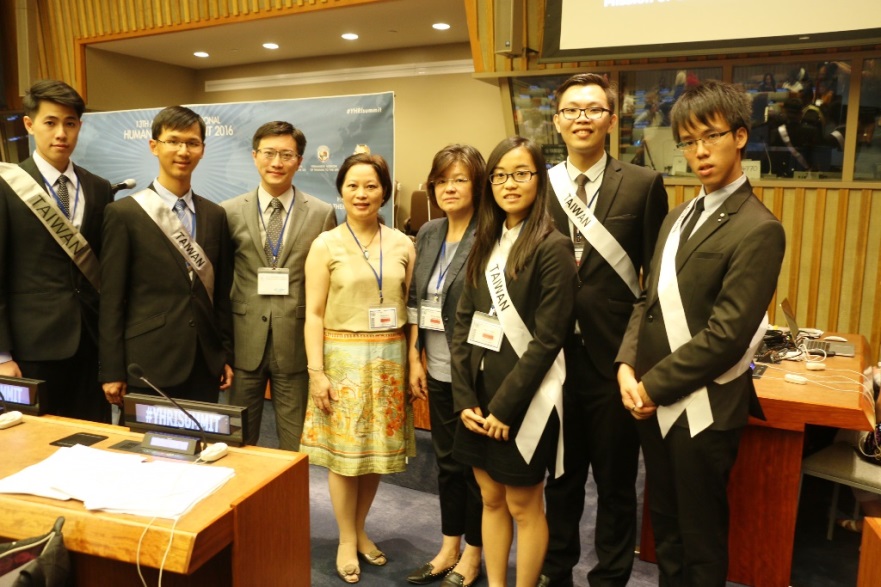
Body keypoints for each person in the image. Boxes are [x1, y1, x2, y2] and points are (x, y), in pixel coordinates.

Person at [617, 80, 785, 586]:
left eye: (710, 136)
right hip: (652, 400)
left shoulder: (758, 227)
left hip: (703, 408)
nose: (699, 151)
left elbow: (728, 333)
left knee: (701, 536)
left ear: (740, 136)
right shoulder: (676, 216)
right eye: (688, 141)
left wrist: (651, 386)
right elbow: (645, 301)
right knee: (665, 527)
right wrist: (626, 365)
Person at [541, 73, 668, 587]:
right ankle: (556, 570)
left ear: (612, 120)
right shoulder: (539, 185)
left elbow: (655, 283)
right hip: (550, 359)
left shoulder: (642, 184)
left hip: (614, 361)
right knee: (561, 480)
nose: (582, 119)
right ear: (557, 120)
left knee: (616, 483)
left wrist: (634, 356)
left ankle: (612, 577)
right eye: (572, 110)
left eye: (594, 109)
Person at [452, 136, 577, 587]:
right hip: (479, 399)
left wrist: (505, 408)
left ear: (539, 180)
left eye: (521, 173)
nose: (509, 184)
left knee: (525, 505)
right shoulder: (486, 241)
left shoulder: (552, 246)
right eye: (500, 175)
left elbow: (548, 340)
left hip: (526, 401)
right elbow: (462, 322)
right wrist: (465, 397)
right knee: (489, 498)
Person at [300, 153, 416, 584]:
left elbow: (414, 308)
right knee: (344, 458)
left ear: (384, 191)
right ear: (341, 190)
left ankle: (361, 528)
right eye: (353, 185)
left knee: (375, 457)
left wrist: (414, 359)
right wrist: (316, 371)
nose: (362, 194)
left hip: (389, 359)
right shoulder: (325, 244)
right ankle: (347, 538)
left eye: (371, 185)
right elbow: (312, 313)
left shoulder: (403, 242)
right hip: (342, 358)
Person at [99, 106, 234, 406]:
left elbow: (221, 295)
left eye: (192, 143)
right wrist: (111, 369)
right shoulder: (124, 214)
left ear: (202, 150)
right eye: (173, 141)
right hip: (148, 362)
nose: (182, 151)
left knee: (202, 446)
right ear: (154, 146)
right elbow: (110, 300)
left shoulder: (215, 214)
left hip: (204, 360)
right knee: (145, 450)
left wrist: (224, 354)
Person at [0, 80, 113, 422]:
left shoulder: (99, 188)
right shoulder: (7, 186)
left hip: (91, 346)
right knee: (31, 450)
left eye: (70, 123)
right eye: (50, 123)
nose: (61, 133)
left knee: (93, 444)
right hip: (31, 347)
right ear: (30, 125)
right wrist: (2, 355)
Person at [221, 121, 336, 450]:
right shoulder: (227, 212)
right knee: (237, 439)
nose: (277, 162)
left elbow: (326, 286)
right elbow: (222, 280)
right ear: (255, 156)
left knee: (296, 443)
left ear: (299, 161)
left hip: (296, 344)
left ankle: (289, 502)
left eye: (286, 154)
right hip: (244, 343)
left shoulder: (321, 213)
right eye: (269, 153)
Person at [405, 145, 486, 587]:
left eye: (459, 179)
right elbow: (419, 301)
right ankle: (448, 546)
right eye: (441, 180)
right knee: (447, 465)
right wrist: (416, 355)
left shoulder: (489, 233)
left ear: (476, 184)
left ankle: (473, 555)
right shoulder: (430, 232)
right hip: (434, 369)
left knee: (475, 470)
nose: (449, 188)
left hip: (473, 376)